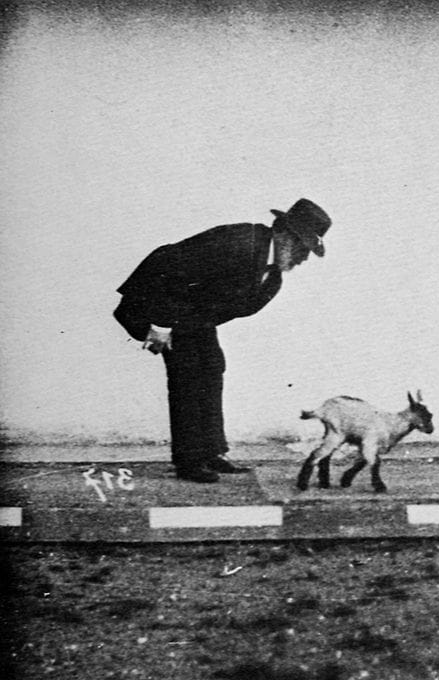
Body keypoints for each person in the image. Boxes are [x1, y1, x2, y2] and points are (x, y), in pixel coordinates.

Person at [113, 198, 332, 483]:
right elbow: (165, 262)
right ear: (284, 235)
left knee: (212, 365)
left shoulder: (271, 278)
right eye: (303, 247)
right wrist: (160, 324)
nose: (304, 257)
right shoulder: (238, 240)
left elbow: (220, 307)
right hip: (156, 303)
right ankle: (189, 461)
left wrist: (192, 326)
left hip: (192, 316)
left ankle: (211, 452)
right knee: (188, 375)